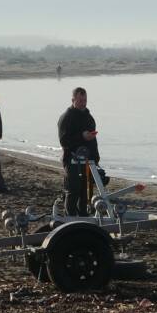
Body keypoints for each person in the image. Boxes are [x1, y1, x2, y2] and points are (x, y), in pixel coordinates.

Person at [57, 87, 100, 216]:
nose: (83, 103)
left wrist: (96, 158)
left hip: (87, 160)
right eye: (80, 100)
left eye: (85, 100)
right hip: (71, 158)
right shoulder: (66, 117)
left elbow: (93, 140)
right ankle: (69, 216)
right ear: (73, 100)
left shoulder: (89, 117)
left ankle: (83, 215)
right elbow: (64, 141)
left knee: (86, 191)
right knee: (73, 189)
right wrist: (82, 136)